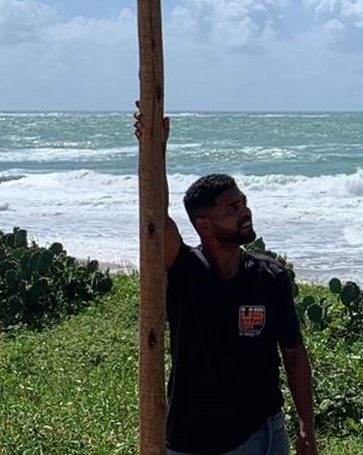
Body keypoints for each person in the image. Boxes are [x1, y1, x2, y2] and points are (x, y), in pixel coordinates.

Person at [135, 106, 318, 455]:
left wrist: (306, 429)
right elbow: (156, 214)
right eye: (231, 209)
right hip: (197, 441)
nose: (245, 212)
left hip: (264, 433)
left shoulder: (270, 276)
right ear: (204, 225)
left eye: (244, 203)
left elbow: (294, 354)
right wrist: (153, 148)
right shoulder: (185, 270)